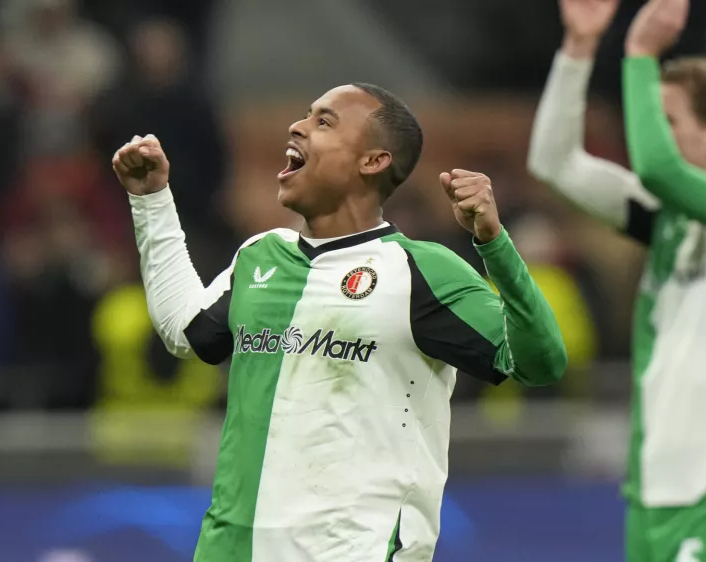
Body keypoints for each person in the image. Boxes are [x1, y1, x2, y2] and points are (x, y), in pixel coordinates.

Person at [113, 83, 567, 561]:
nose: (297, 126)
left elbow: (541, 363)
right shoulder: (260, 256)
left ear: (373, 161)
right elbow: (186, 331)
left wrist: (494, 243)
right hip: (231, 549)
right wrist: (152, 201)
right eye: (306, 115)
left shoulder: (420, 270)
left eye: (324, 122)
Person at [527, 0, 706, 560]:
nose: (648, 131)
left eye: (666, 120)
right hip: (653, 486)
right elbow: (554, 163)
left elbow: (658, 169)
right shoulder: (664, 219)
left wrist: (640, 54)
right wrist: (579, 49)